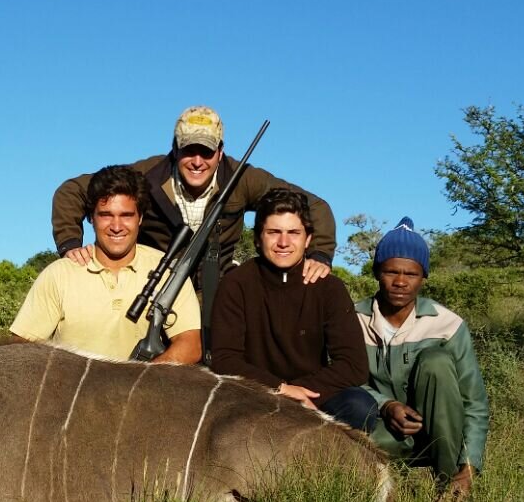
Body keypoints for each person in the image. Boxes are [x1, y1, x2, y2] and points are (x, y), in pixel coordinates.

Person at [51, 106, 338, 351]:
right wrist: (69, 244)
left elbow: (314, 204)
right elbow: (72, 191)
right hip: (156, 289)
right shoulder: (146, 175)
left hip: (220, 293)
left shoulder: (243, 179)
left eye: (207, 151)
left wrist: (320, 256)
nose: (198, 161)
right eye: (189, 150)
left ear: (221, 151)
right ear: (175, 148)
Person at [210, 190, 376, 431]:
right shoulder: (235, 284)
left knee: (360, 406)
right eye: (273, 232)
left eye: (293, 233)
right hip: (254, 393)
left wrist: (301, 392)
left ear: (308, 239)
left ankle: (330, 467)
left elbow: (354, 365)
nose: (283, 243)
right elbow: (225, 359)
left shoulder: (329, 287)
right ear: (258, 238)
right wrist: (281, 389)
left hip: (313, 396)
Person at [355, 217, 489, 502]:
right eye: (391, 271)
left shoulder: (447, 324)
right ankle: (374, 495)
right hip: (384, 433)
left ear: (423, 277)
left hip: (440, 437)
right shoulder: (352, 319)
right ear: (377, 272)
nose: (401, 282)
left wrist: (468, 467)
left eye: (411, 274)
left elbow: (474, 403)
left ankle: (448, 489)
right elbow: (340, 381)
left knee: (437, 362)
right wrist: (385, 405)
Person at [11, 165, 202, 363]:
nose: (116, 227)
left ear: (140, 218)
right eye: (106, 215)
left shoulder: (168, 271)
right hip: (73, 392)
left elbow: (191, 345)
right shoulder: (60, 274)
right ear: (91, 219)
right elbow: (21, 349)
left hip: (142, 391)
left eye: (126, 215)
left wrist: (140, 381)